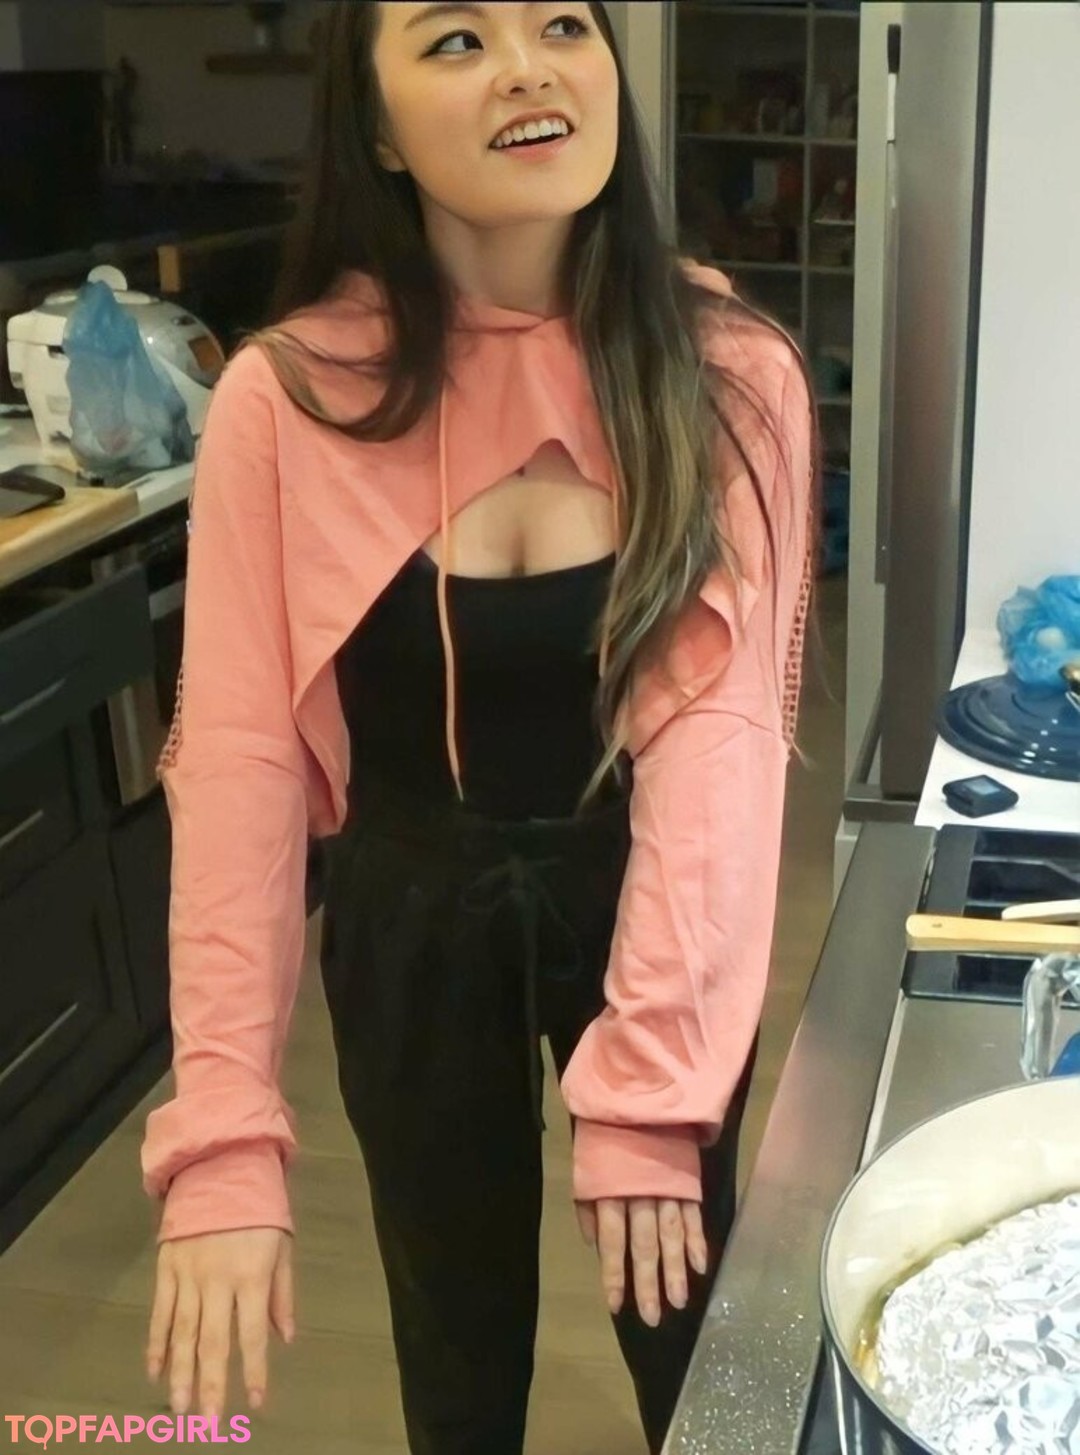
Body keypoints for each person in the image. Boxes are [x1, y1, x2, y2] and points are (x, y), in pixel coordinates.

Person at [139, 4, 817, 1453]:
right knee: (452, 1347)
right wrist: (223, 1134)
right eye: (455, 39)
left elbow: (723, 741)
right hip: (410, 904)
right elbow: (241, 763)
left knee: (698, 1351)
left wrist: (655, 1090)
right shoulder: (287, 396)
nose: (525, 66)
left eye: (562, 21)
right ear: (377, 127)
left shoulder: (728, 371)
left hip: (651, 896)